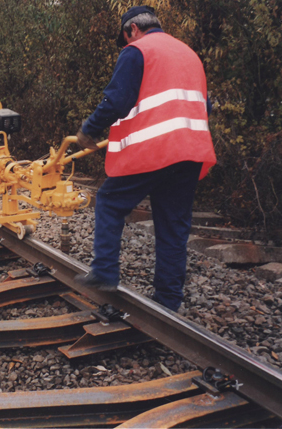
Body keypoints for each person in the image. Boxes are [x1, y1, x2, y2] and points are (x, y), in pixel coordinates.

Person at [74, 5, 217, 312]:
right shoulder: (189, 54)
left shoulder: (137, 51)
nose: (125, 44)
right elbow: (204, 106)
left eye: (125, 38)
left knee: (109, 202)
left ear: (132, 30)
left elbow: (118, 100)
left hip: (156, 149)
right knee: (173, 227)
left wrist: (90, 128)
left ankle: (105, 272)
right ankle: (168, 301)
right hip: (191, 152)